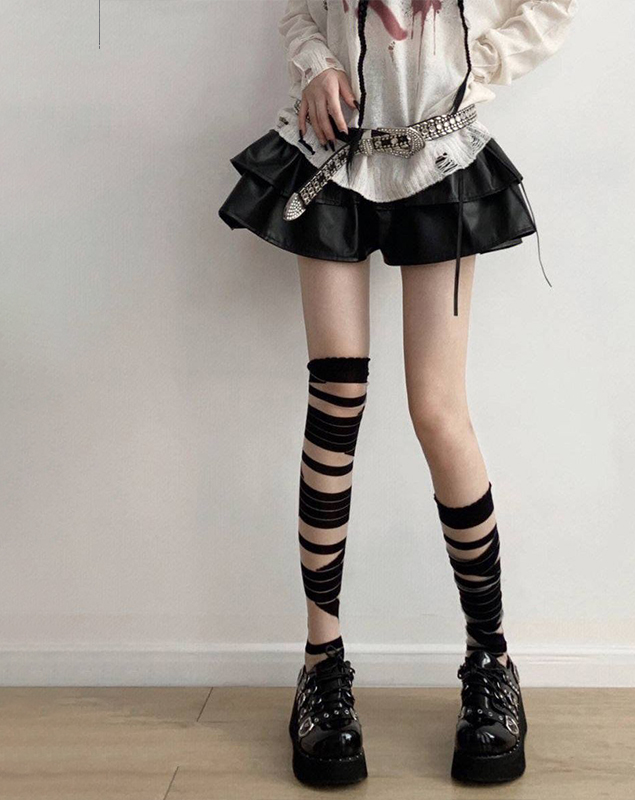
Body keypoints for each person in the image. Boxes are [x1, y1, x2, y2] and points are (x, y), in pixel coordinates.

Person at [219, 0, 577, 786]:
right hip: (329, 156)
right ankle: (321, 664)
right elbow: (299, 14)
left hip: (441, 159)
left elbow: (551, 8)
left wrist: (469, 69)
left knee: (438, 410)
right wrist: (317, 66)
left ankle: (491, 660)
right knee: (336, 400)